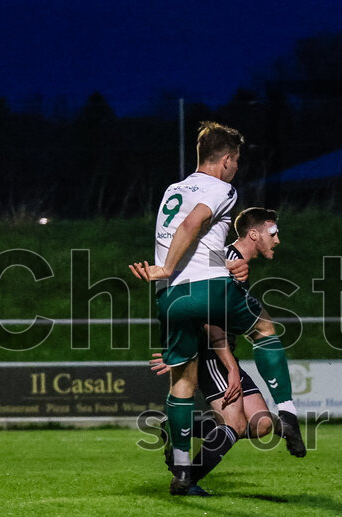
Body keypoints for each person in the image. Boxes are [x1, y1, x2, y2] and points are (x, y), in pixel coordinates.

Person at [130, 122, 304, 496]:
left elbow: (194, 235)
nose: (237, 167)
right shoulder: (221, 188)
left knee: (183, 384)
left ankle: (182, 473)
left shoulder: (173, 190)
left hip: (169, 298)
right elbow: (194, 225)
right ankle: (288, 410)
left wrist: (170, 273)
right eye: (237, 160)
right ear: (226, 159)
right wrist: (169, 266)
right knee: (264, 330)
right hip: (205, 291)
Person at [149, 208, 289, 495]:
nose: (277, 240)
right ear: (254, 234)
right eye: (273, 233)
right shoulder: (225, 260)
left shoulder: (229, 262)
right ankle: (186, 481)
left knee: (262, 424)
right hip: (213, 353)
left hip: (224, 353)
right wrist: (227, 367)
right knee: (235, 424)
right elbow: (211, 323)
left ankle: (179, 427)